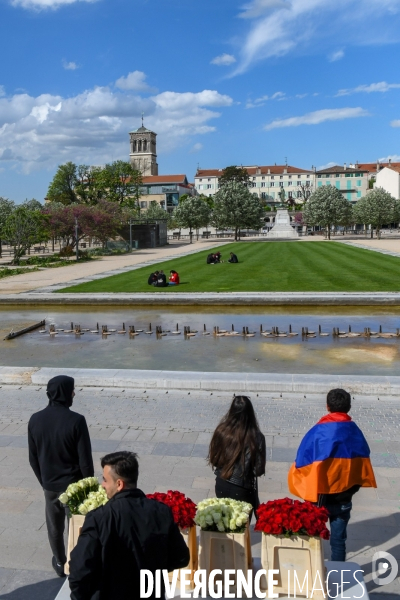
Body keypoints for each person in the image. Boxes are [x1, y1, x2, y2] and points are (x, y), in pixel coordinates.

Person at [69, 451, 190, 600]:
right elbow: (181, 557)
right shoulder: (161, 512)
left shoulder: (98, 518)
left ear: (119, 484)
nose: (103, 485)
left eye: (105, 480)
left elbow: (79, 570)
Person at [288, 388, 377, 562]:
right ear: (349, 407)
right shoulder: (355, 431)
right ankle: (340, 579)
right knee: (338, 542)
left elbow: (302, 460)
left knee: (313, 540)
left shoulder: (317, 431)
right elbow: (363, 460)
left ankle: (314, 575)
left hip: (319, 498)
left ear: (327, 406)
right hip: (343, 499)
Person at [28, 376, 94, 577]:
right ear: (65, 392)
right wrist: (89, 487)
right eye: (72, 390)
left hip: (49, 485)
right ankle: (76, 563)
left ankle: (59, 561)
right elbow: (85, 462)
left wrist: (45, 482)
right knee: (77, 525)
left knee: (54, 527)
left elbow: (33, 458)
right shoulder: (76, 421)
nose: (74, 393)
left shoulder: (35, 420)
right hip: (73, 487)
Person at [208, 395, 266, 517]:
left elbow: (214, 460)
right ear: (251, 413)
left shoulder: (221, 431)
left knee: (224, 522)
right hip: (243, 488)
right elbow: (258, 470)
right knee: (241, 527)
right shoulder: (257, 437)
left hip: (221, 483)